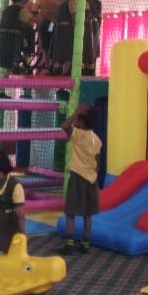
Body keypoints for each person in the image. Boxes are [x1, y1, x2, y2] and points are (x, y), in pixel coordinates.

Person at [60, 104, 102, 254]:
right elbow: (97, 163)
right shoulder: (97, 139)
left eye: (77, 119)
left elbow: (64, 126)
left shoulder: (78, 134)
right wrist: (94, 178)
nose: (75, 121)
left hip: (78, 178)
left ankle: (69, 244)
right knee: (87, 214)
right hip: (91, 180)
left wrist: (75, 112)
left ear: (81, 122)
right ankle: (85, 243)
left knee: (70, 212)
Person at [0, 0, 36, 94]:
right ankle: (2, 90)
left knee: (8, 67)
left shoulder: (7, 9)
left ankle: (1, 90)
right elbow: (35, 20)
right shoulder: (21, 10)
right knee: (10, 67)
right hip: (11, 42)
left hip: (1, 40)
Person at [49, 0, 78, 76]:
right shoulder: (61, 1)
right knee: (58, 51)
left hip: (66, 30)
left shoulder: (71, 1)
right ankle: (57, 70)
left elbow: (74, 16)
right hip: (59, 29)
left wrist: (74, 30)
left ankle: (66, 72)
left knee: (66, 52)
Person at [33, 0, 62, 72]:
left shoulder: (40, 0)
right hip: (55, 25)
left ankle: (48, 65)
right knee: (55, 45)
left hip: (44, 25)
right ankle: (56, 65)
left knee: (45, 46)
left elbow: (34, 11)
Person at [82, 0, 102, 76]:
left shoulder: (96, 2)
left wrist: (90, 2)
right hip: (86, 27)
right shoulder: (81, 1)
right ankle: (85, 71)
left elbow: (98, 16)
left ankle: (91, 72)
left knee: (92, 50)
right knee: (85, 50)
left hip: (93, 27)